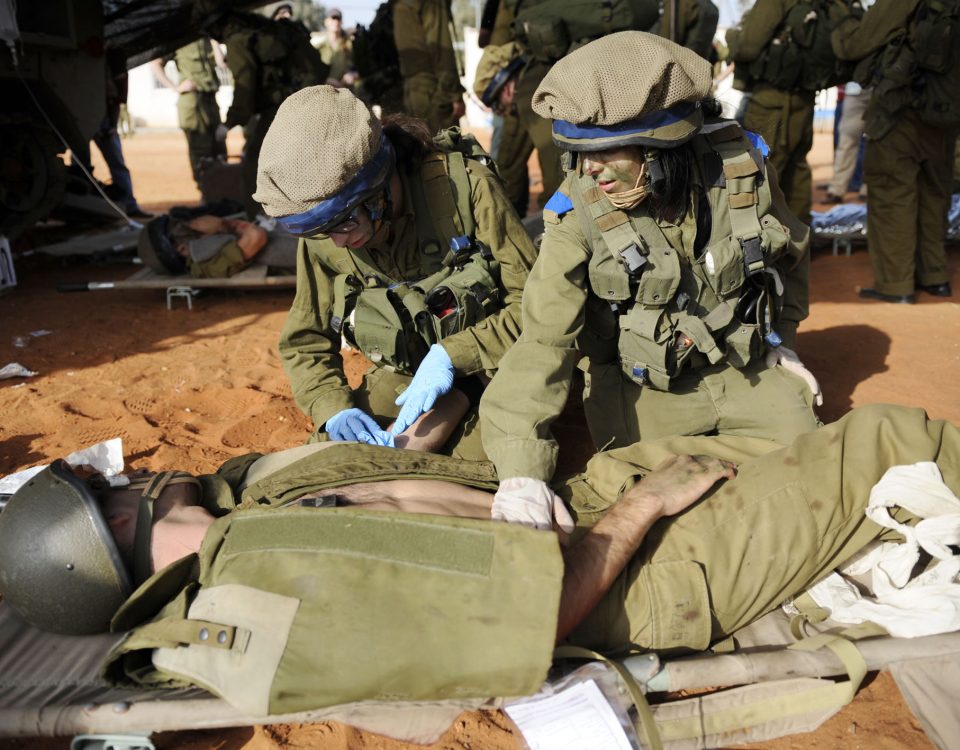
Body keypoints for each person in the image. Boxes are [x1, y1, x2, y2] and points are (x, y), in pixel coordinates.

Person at [1, 403, 955, 717]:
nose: (144, 476)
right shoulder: (257, 588)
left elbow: (384, 505)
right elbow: (537, 614)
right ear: (112, 537)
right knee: (894, 440)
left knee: (749, 421)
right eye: (117, 492)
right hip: (640, 574)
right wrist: (645, 505)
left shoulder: (240, 524)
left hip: (587, 517)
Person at [479, 31, 821, 530]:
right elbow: (544, 337)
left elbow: (790, 253)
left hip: (740, 365)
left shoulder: (742, 171)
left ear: (662, 147)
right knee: (662, 511)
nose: (590, 170)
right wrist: (520, 469)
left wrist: (780, 340)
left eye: (608, 151)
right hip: (642, 389)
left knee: (812, 471)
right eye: (578, 152)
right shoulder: (578, 212)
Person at [252, 86, 538, 458]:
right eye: (323, 231)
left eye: (345, 223)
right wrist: (332, 408)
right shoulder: (327, 231)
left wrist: (453, 354)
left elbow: (535, 308)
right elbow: (305, 341)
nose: (338, 242)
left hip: (496, 364)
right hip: (408, 375)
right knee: (334, 460)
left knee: (478, 467)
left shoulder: (465, 190)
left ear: (379, 188)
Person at [832, 0, 960, 303]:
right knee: (934, 196)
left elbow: (853, 44)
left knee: (892, 197)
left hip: (900, 114)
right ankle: (934, 277)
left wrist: (846, 19)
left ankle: (896, 285)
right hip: (945, 116)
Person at [727, 0, 860, 224]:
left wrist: (732, 36)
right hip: (805, 99)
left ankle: (765, 248)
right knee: (797, 171)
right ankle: (799, 246)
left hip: (771, 101)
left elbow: (747, 47)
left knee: (761, 173)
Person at [198, 7, 329, 218]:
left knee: (256, 161)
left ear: (214, 25)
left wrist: (230, 122)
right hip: (306, 100)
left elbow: (245, 85)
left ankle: (260, 218)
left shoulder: (237, 39)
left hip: (284, 106)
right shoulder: (258, 28)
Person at [473, 42, 559, 216]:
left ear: (505, 88)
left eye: (497, 104)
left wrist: (550, 217)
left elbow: (556, 167)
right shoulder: (526, 83)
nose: (500, 112)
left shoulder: (529, 93)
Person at [149, 40, 228, 190]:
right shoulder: (180, 39)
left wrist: (214, 42)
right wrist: (176, 87)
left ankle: (221, 194)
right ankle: (206, 194)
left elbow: (222, 64)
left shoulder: (208, 38)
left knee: (219, 148)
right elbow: (155, 63)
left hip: (211, 99)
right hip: (192, 101)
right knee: (201, 151)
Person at [137, 213, 298, 278]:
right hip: (309, 254)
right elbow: (256, 237)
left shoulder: (210, 245)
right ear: (181, 248)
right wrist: (223, 224)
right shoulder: (205, 265)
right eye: (183, 226)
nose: (192, 222)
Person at [393, 0, 465, 134]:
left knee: (421, 148)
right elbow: (441, 49)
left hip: (411, 88)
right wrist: (454, 94)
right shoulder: (432, 3)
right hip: (433, 90)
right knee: (445, 149)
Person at [825, 82, 870, 203]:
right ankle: (836, 190)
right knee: (846, 142)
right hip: (855, 91)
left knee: (874, 144)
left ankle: (868, 189)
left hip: (881, 92)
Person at [315, 7, 358, 89]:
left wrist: (352, 75)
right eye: (333, 18)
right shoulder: (317, 42)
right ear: (326, 22)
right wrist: (326, 80)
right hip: (321, 91)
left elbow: (360, 68)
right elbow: (310, 70)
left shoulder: (349, 44)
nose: (336, 22)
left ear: (342, 22)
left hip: (344, 91)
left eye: (338, 19)